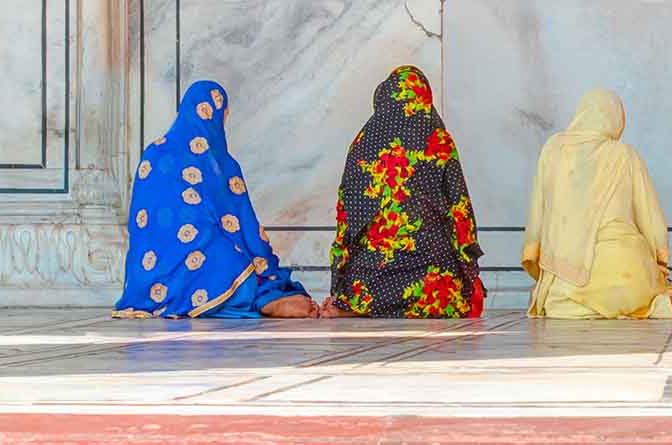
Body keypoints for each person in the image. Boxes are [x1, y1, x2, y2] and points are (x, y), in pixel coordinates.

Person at [114, 80, 318, 319]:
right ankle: (261, 301)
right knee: (228, 262)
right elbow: (149, 223)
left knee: (228, 258)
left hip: (154, 271)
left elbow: (240, 218)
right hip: (160, 263)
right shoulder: (161, 154)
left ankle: (260, 296)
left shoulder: (219, 162)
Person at [521, 90, 672, 319]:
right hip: (625, 275)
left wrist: (537, 256)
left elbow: (538, 211)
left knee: (560, 303)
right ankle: (662, 305)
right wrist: (659, 265)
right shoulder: (623, 154)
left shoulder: (553, 149)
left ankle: (653, 307)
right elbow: (650, 217)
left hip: (565, 280)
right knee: (640, 288)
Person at [324, 66, 485, 318]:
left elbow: (347, 216)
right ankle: (428, 301)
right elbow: (460, 208)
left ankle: (361, 306)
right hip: (433, 279)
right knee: (444, 288)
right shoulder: (438, 138)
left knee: (363, 282)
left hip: (371, 276)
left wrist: (339, 279)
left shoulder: (362, 143)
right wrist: (469, 266)